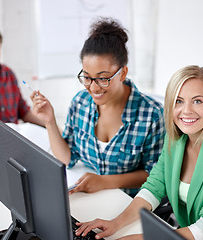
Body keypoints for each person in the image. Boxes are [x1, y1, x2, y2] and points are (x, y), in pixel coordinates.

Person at [75, 65, 203, 240]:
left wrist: (142, 238)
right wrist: (116, 223)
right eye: (178, 101)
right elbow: (154, 188)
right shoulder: (176, 139)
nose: (186, 110)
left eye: (197, 101)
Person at [31, 17, 165, 197]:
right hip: (91, 196)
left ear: (123, 72)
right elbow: (67, 159)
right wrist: (50, 121)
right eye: (87, 77)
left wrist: (104, 182)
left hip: (128, 203)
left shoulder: (153, 115)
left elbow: (155, 175)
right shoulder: (80, 102)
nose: (93, 88)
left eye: (103, 78)